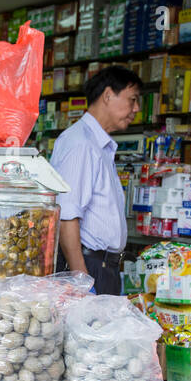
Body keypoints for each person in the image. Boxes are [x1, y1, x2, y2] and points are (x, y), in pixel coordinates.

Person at [50, 66, 141, 295]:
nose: (136, 109)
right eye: (132, 100)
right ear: (108, 95)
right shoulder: (81, 144)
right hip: (89, 267)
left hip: (101, 267)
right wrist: (82, 283)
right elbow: (67, 216)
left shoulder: (98, 145)